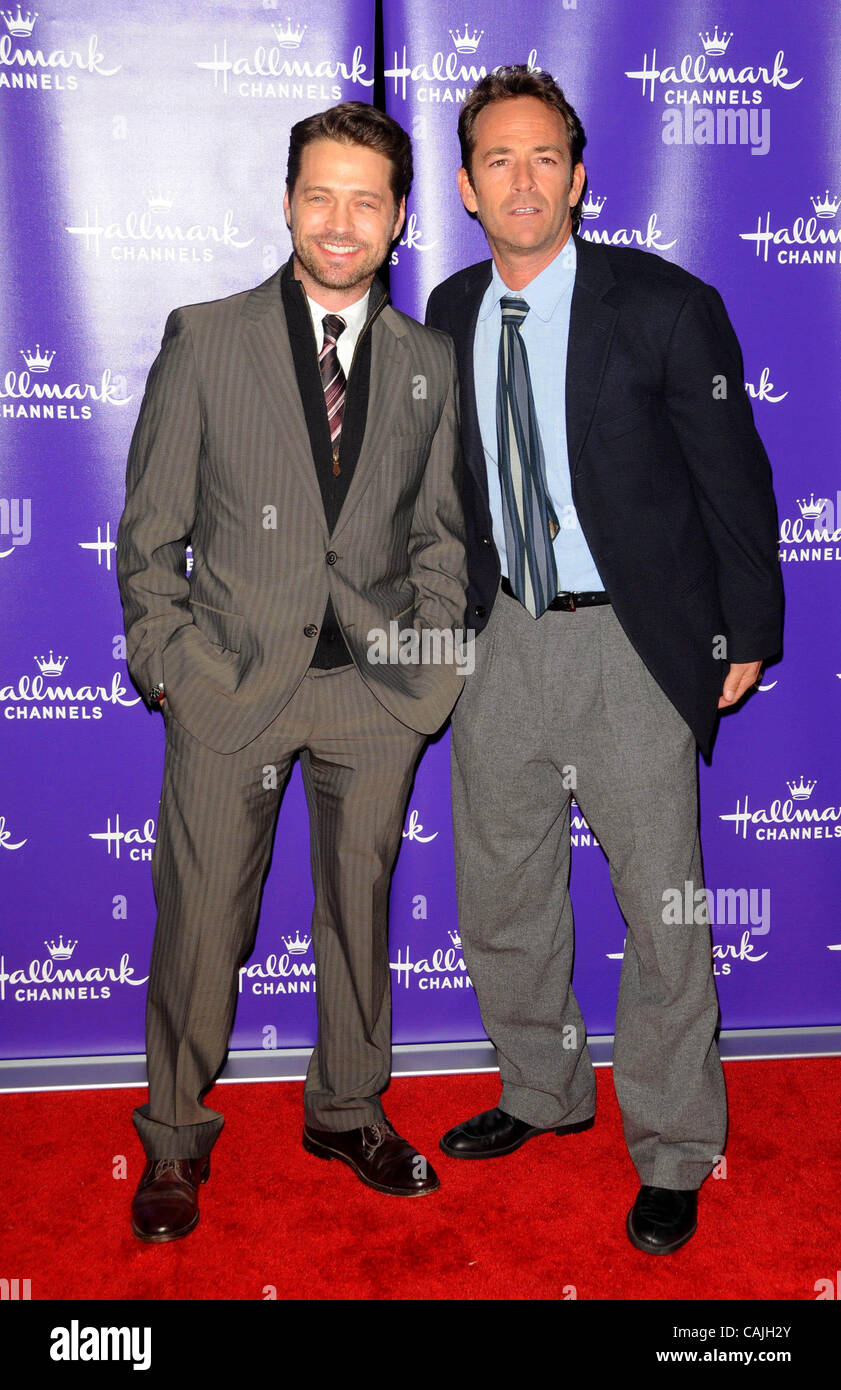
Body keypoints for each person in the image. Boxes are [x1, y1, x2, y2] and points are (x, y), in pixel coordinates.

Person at [425, 67, 783, 1254]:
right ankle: (541, 1089)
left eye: (543, 159)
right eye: (496, 161)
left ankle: (676, 1144)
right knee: (505, 893)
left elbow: (734, 481)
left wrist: (744, 631)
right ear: (468, 186)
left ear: (577, 178)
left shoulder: (666, 304)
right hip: (501, 636)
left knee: (664, 908)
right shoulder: (449, 307)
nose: (521, 180)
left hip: (634, 639)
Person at [117, 101, 467, 1242]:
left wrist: (428, 666)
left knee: (358, 914)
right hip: (228, 684)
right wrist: (171, 664)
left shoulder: (426, 360)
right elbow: (150, 530)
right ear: (285, 201)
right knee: (202, 920)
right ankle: (172, 1137)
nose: (340, 220)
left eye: (367, 199)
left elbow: (441, 536)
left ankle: (346, 1109)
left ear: (401, 218)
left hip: (372, 695)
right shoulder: (206, 336)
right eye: (319, 193)